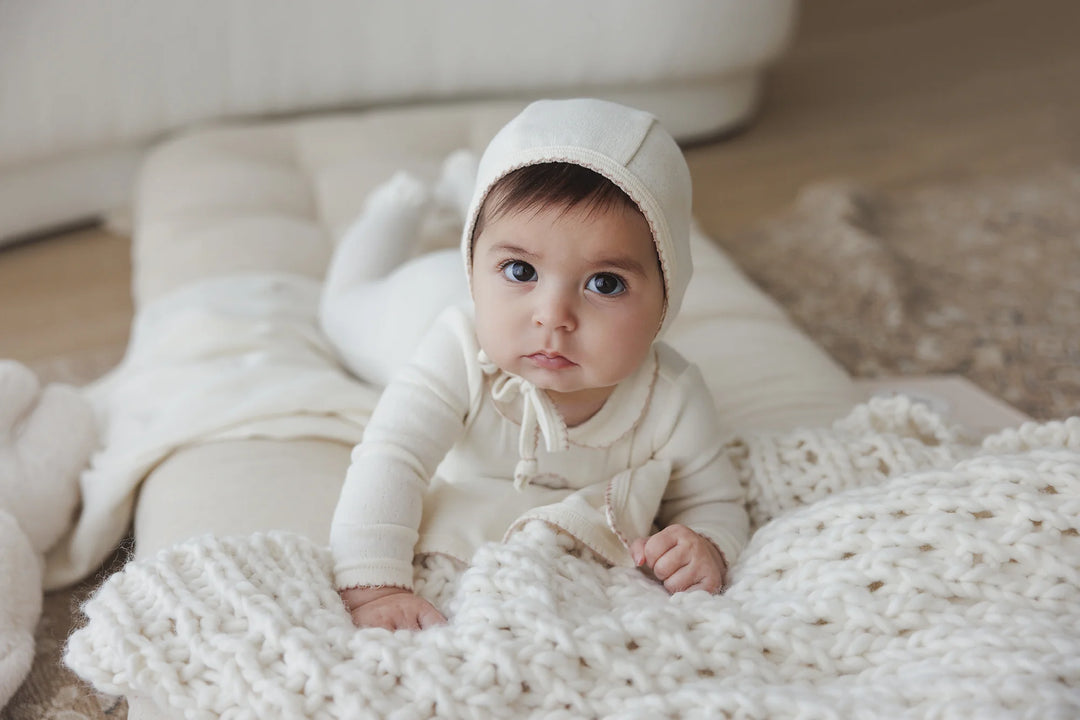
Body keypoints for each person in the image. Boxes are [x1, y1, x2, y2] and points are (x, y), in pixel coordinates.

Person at [321, 98, 749, 631]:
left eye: (605, 283)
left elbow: (717, 503)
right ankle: (397, 208)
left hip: (487, 272)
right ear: (475, 271)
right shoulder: (459, 348)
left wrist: (706, 544)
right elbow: (393, 456)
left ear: (667, 301)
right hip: (414, 304)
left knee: (531, 231)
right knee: (341, 307)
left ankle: (477, 201)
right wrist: (374, 585)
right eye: (521, 270)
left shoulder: (673, 396)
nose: (553, 316)